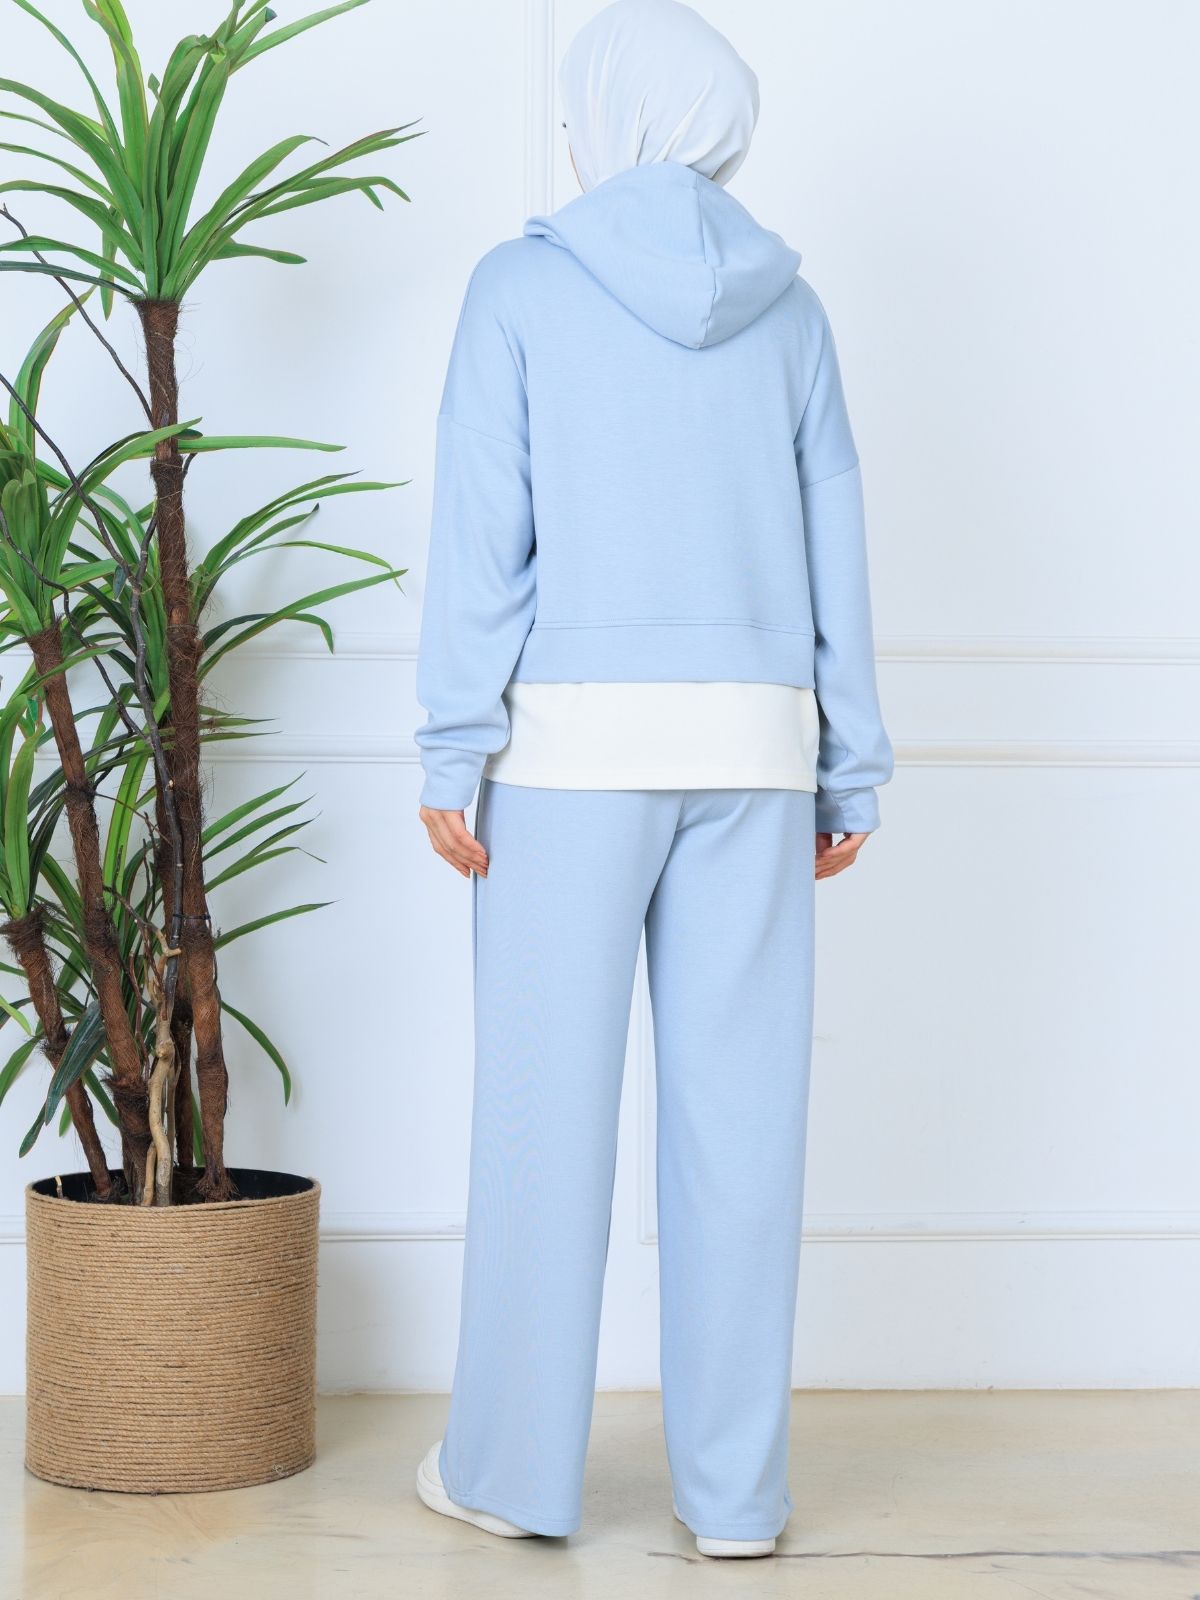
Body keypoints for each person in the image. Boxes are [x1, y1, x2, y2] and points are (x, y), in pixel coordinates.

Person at [412, 0, 893, 1561]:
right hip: (756, 757)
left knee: (541, 1123)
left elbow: (482, 535)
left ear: (611, 117)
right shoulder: (793, 313)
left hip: (567, 760)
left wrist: (453, 740)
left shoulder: (517, 289)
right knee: (743, 1130)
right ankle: (737, 1504)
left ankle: (510, 1476)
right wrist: (849, 766)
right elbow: (837, 550)